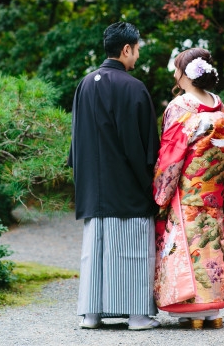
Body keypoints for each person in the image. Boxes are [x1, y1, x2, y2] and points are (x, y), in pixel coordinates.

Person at [68, 21, 161, 330]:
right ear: (125, 50)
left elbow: (76, 142)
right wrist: (151, 183)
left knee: (94, 253)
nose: (137, 57)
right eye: (136, 50)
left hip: (93, 187)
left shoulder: (84, 84)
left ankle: (91, 314)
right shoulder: (133, 87)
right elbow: (145, 145)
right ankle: (136, 316)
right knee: (132, 251)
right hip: (127, 187)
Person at [152, 48, 224, 329]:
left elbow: (171, 155)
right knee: (212, 244)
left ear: (186, 75)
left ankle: (191, 310)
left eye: (177, 69)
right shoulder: (218, 104)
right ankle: (212, 312)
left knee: (188, 247)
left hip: (187, 193)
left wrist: (161, 193)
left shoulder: (180, 106)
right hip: (215, 191)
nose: (174, 75)